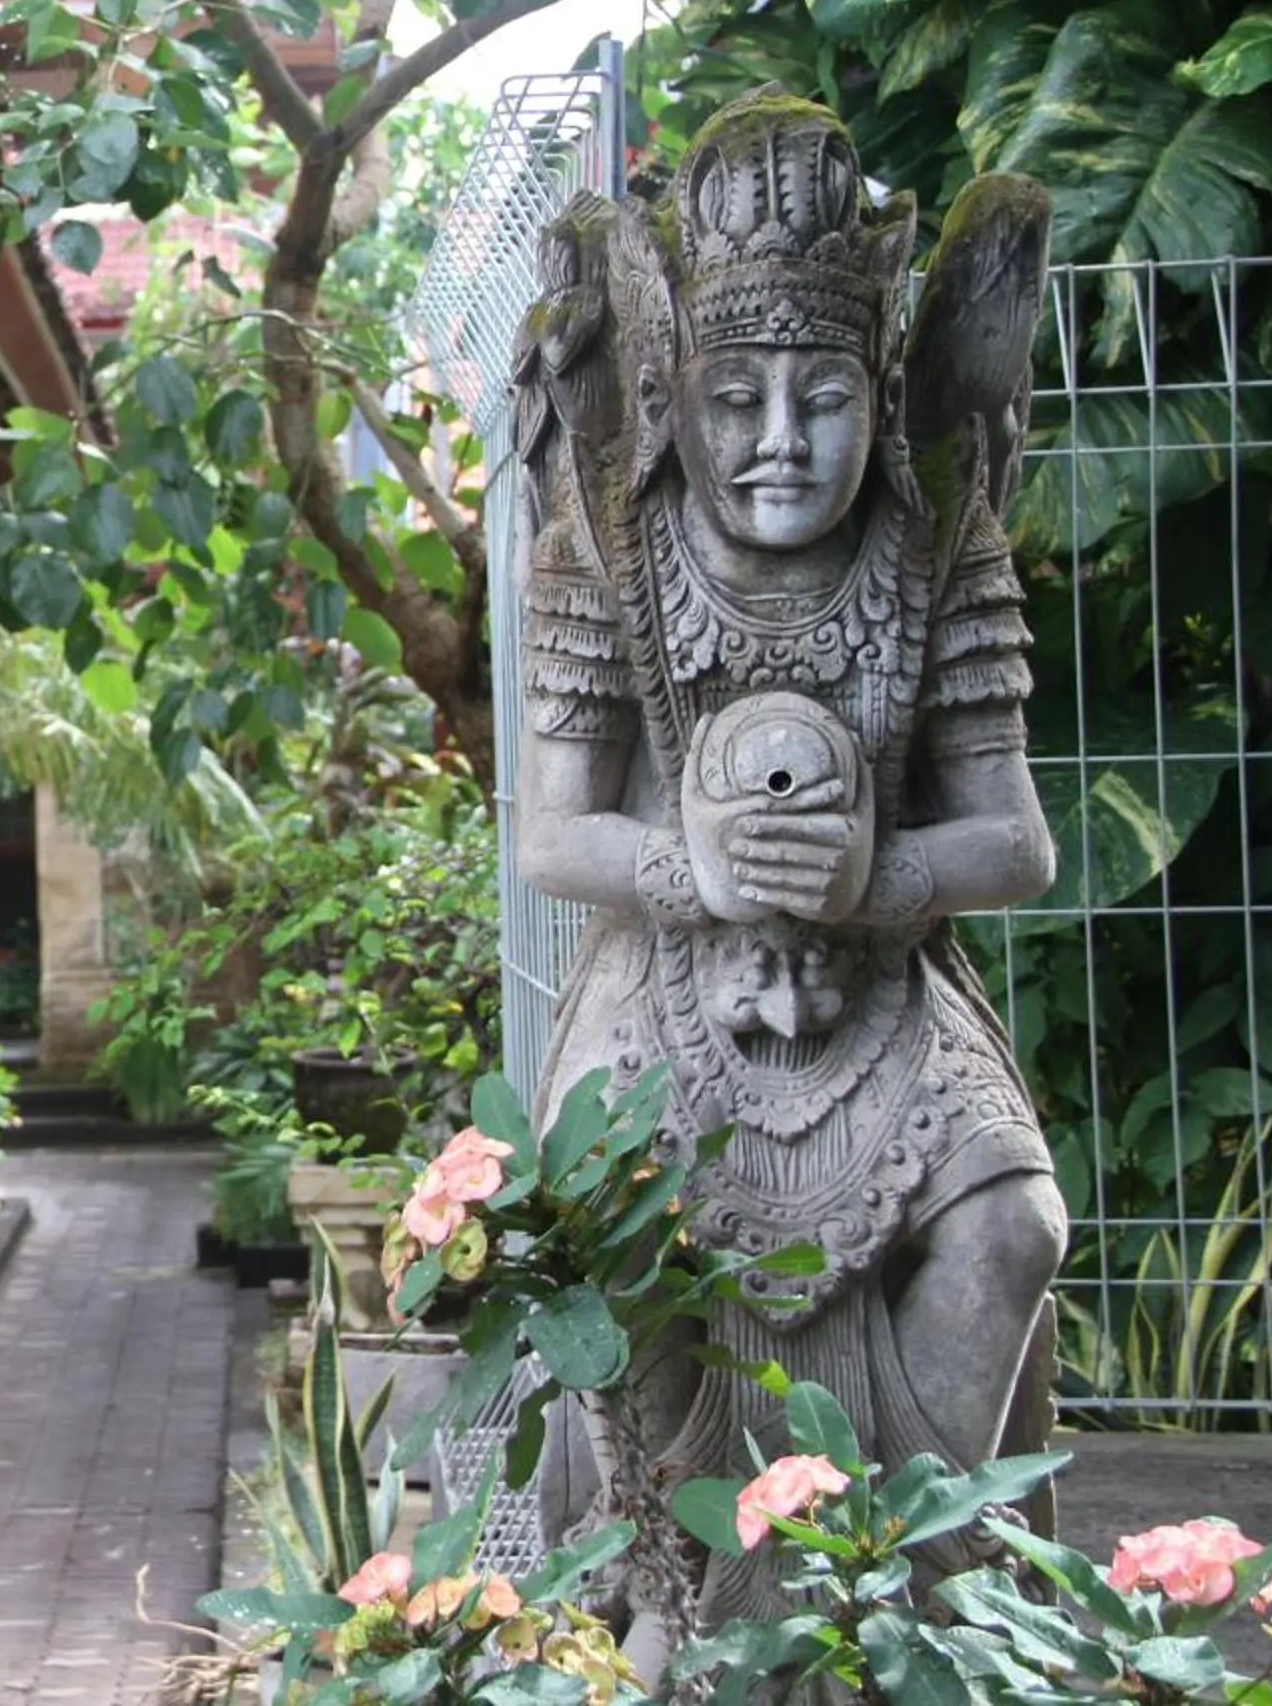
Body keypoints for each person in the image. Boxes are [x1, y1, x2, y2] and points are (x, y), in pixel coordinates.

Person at [506, 92, 1065, 1651]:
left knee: (1012, 1225)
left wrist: (874, 875)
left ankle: (917, 1604)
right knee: (594, 1225)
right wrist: (689, 866)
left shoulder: (939, 549)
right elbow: (554, 840)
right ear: (675, 394)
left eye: (823, 396)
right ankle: (669, 1586)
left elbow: (1014, 840)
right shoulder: (605, 559)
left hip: (884, 979)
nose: (777, 442)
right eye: (733, 396)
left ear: (883, 396)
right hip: (667, 976)